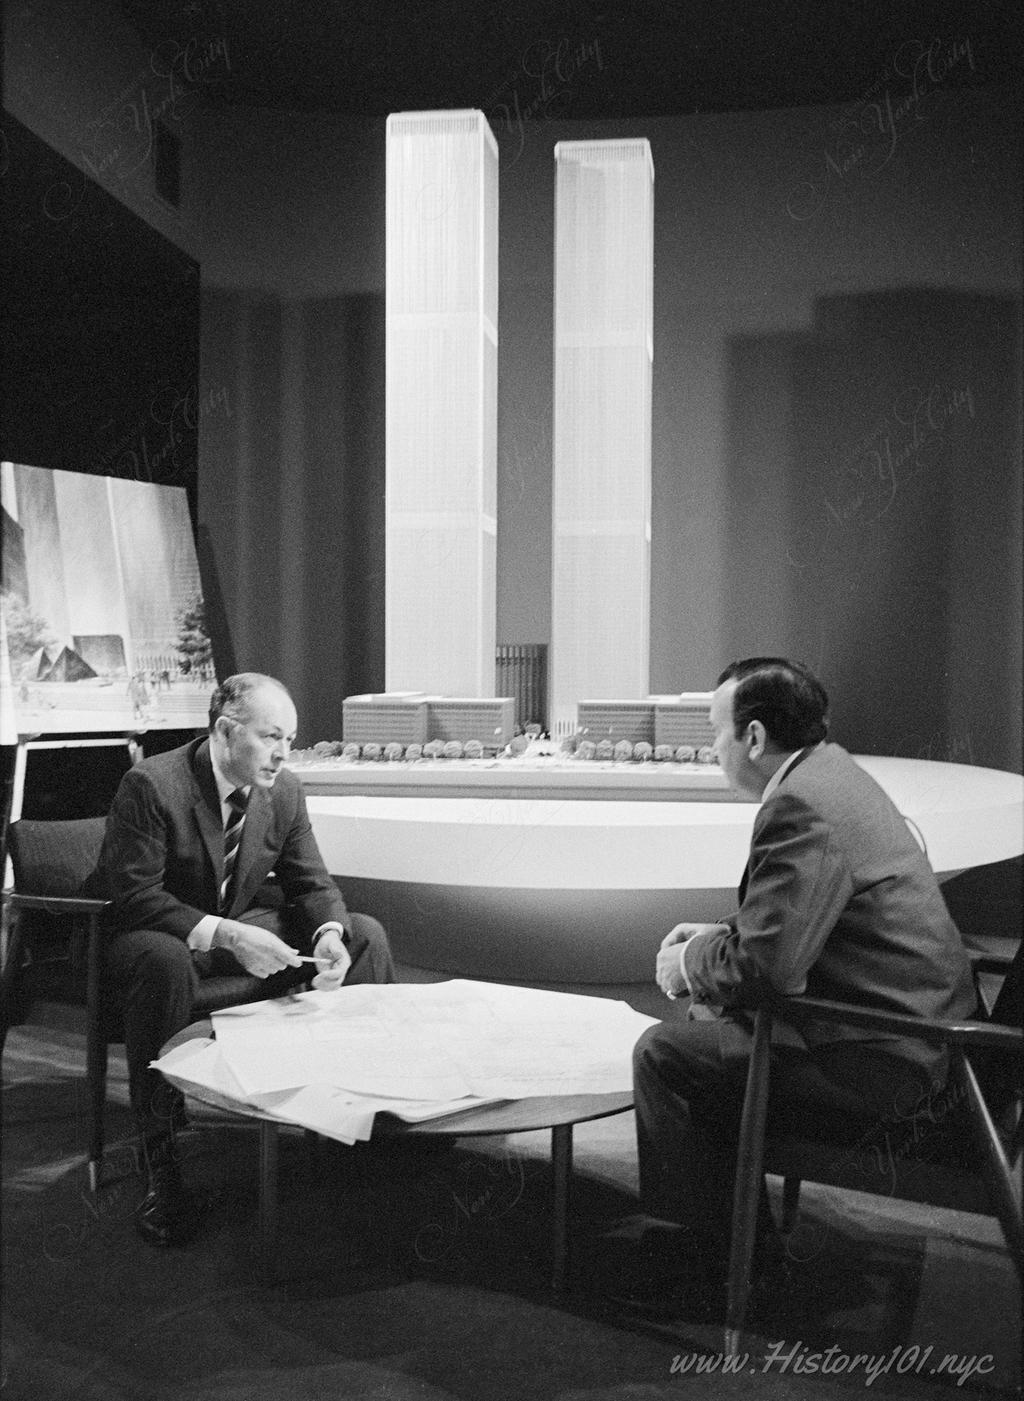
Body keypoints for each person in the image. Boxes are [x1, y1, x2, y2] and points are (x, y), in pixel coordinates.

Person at [620, 656, 977, 1319]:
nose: (712, 749)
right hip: (935, 1053)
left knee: (666, 1056)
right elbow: (799, 919)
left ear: (754, 738)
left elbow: (769, 969)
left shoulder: (799, 805)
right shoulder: (833, 773)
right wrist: (715, 937)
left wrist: (692, 962)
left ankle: (721, 1266)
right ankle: (739, 1245)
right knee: (713, 1042)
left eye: (715, 731)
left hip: (896, 1076)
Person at [99, 672, 396, 1246]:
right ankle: (163, 1163)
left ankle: (360, 1125)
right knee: (162, 962)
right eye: (270, 737)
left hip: (225, 932)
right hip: (151, 936)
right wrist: (232, 936)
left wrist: (328, 934)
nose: (284, 752)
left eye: (290, 737)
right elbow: (135, 896)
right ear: (224, 732)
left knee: (365, 935)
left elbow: (311, 882)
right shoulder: (151, 784)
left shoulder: (283, 790)